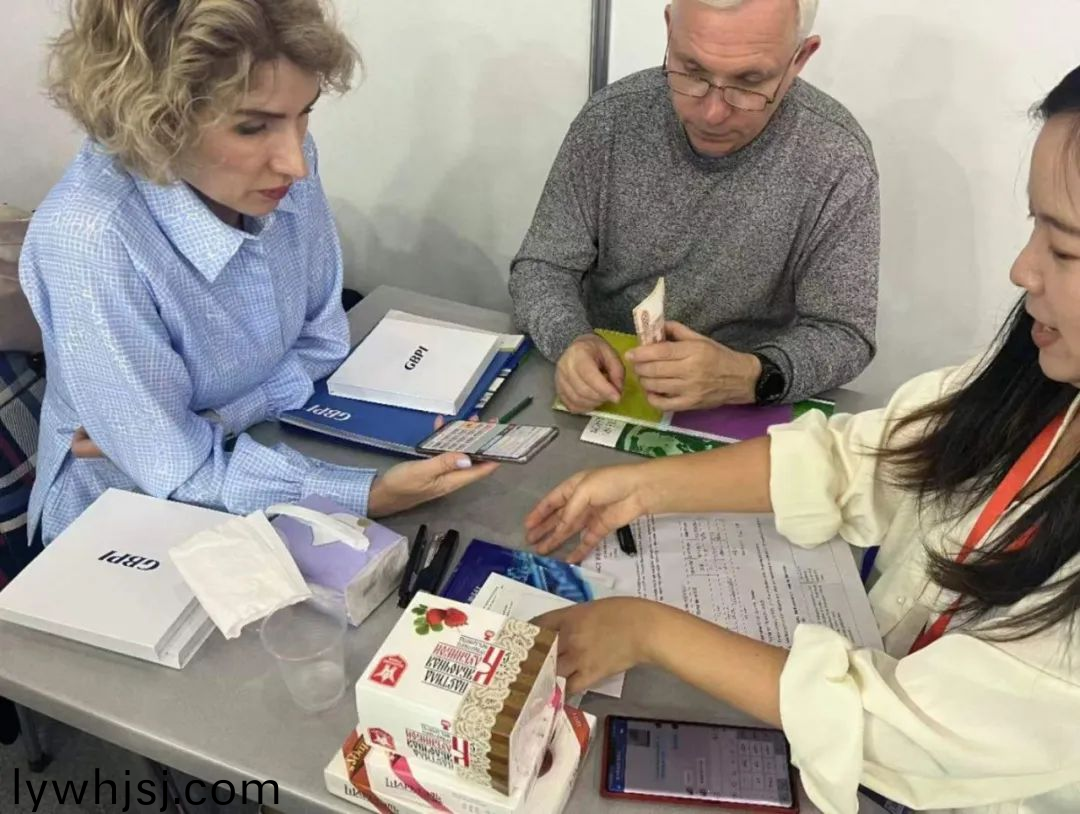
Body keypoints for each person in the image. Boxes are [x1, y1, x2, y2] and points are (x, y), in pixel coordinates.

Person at [523, 67, 1080, 814]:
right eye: (1033, 226)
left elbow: (912, 733)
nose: (1021, 270)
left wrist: (648, 628)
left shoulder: (832, 154)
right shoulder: (1038, 376)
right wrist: (646, 485)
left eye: (1065, 249)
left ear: (799, 58)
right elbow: (867, 458)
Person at [19, 0, 496, 547]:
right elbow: (180, 475)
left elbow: (322, 339)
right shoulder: (91, 239)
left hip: (261, 451)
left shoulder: (285, 166)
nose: (296, 162)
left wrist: (213, 421)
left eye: (305, 112)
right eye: (251, 128)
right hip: (123, 519)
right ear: (155, 121)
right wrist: (366, 494)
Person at [509, 0, 879, 415]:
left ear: (800, 59)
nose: (713, 113)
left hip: (744, 401)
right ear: (669, 29)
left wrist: (751, 375)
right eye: (693, 71)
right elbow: (542, 266)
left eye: (749, 82)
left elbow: (845, 334)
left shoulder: (835, 157)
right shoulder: (610, 121)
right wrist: (571, 340)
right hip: (611, 385)